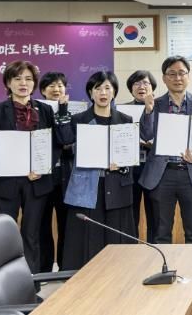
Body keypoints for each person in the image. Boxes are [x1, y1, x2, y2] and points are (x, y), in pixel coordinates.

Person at [0, 60, 67, 273]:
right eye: (17, 79)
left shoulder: (45, 110)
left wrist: (42, 168)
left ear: (34, 83)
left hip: (36, 181)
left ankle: (31, 281)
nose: (23, 83)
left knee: (32, 233)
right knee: (4, 234)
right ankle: (4, 280)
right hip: (5, 182)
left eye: (28, 79)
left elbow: (56, 144)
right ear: (8, 83)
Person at [60, 71, 136, 270]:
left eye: (108, 88)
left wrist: (122, 164)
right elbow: (65, 141)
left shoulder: (125, 120)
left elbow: (130, 155)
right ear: (90, 93)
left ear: (114, 92)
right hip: (87, 186)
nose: (103, 93)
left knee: (115, 235)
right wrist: (62, 111)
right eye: (98, 88)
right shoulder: (79, 119)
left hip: (117, 185)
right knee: (87, 235)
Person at [139, 56, 192, 244]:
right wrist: (148, 111)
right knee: (161, 232)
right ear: (164, 78)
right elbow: (146, 135)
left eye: (182, 73)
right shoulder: (155, 103)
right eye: (172, 74)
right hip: (163, 174)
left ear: (189, 76)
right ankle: (163, 264)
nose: (177, 78)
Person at [38, 71, 71, 272]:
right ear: (43, 90)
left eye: (60, 85)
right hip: (41, 177)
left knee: (66, 224)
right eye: (51, 86)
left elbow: (69, 141)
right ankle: (44, 269)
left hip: (65, 177)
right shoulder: (36, 111)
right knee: (42, 225)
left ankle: (65, 267)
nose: (56, 89)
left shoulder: (72, 111)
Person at [124, 70, 158, 244]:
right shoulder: (122, 110)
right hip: (131, 167)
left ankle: (154, 250)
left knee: (155, 214)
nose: (141, 87)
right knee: (131, 214)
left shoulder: (162, 108)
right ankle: (132, 250)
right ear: (131, 89)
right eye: (136, 83)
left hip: (154, 167)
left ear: (153, 87)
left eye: (145, 83)